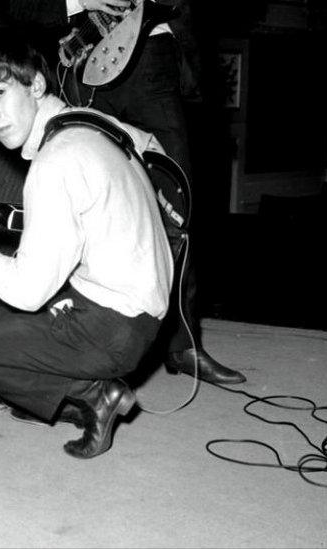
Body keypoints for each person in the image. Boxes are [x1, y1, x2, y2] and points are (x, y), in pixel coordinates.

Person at [0, 26, 174, 459]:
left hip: (112, 330)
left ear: (36, 85)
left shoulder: (54, 162)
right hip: (142, 308)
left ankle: (88, 393)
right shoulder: (94, 124)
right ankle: (63, 387)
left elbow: (29, 294)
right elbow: (154, 150)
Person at [40, 0, 247, 385]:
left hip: (152, 53)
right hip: (85, 56)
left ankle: (183, 345)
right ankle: (82, 341)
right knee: (89, 206)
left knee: (177, 203)